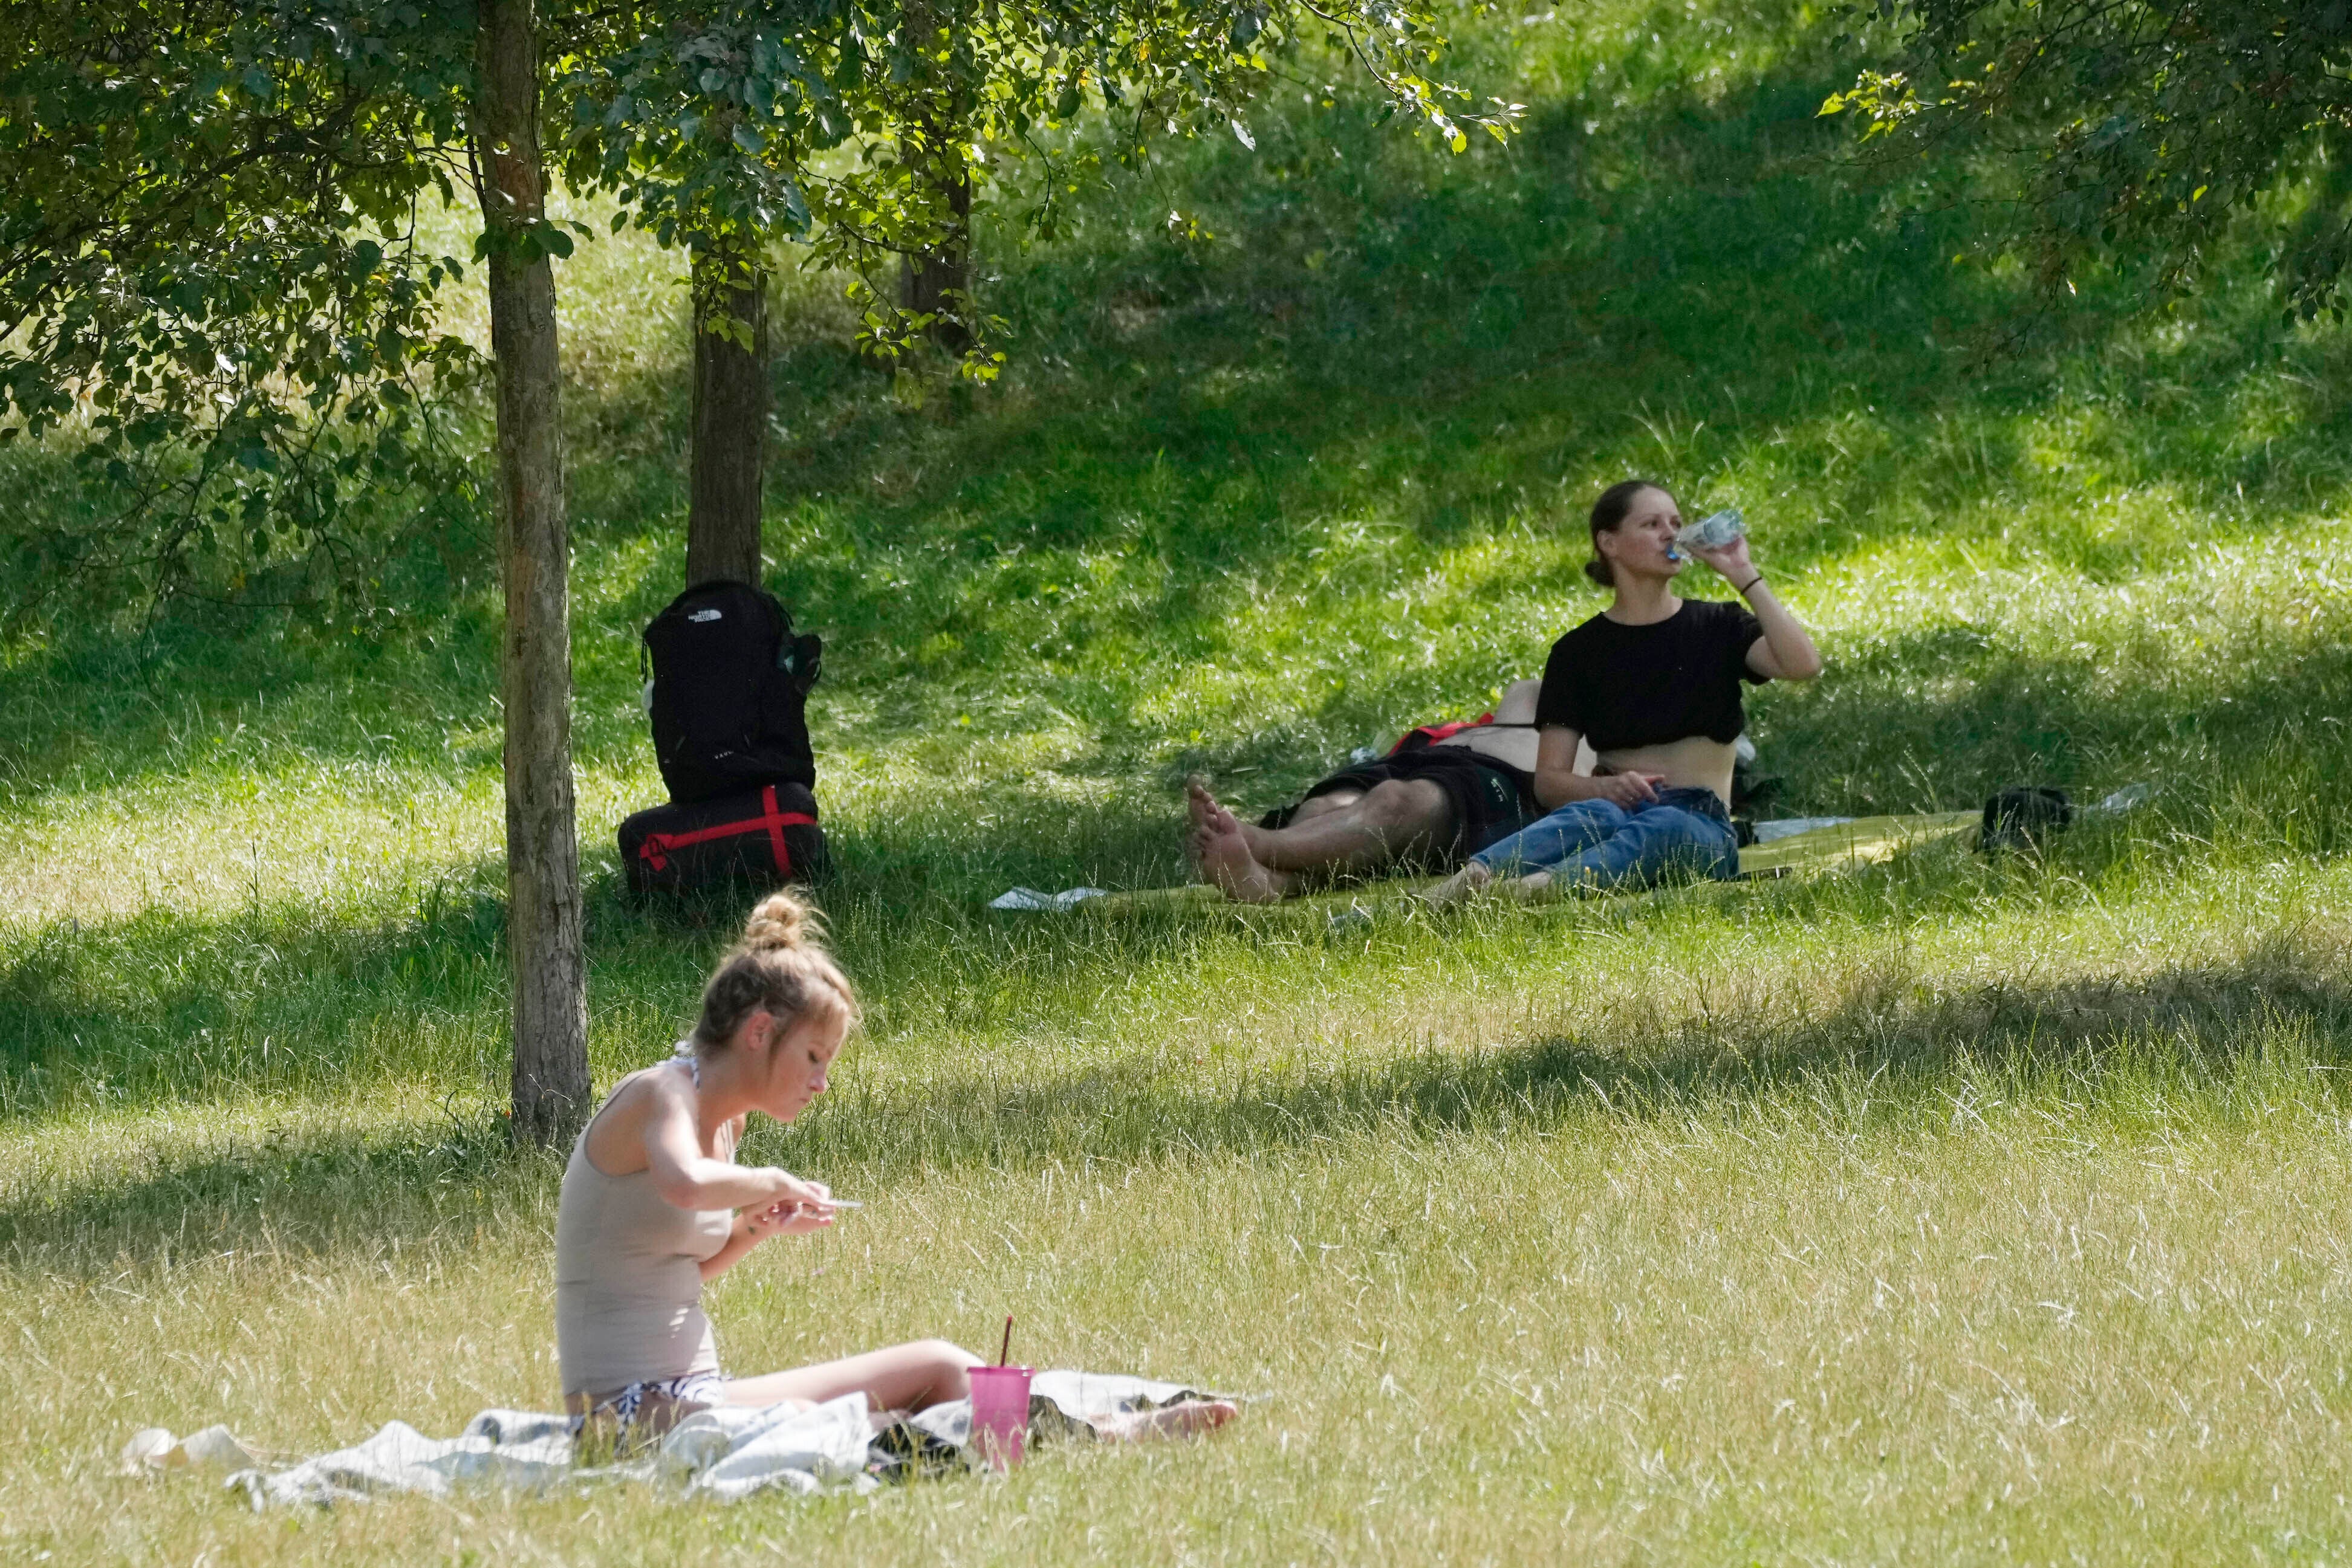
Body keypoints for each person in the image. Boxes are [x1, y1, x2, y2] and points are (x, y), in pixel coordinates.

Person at [556, 891, 1238, 1442]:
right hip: (622, 1414)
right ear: (759, 1031)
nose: (821, 1081)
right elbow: (682, 1182)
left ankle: (1097, 1432)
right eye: (814, 1056)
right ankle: (1091, 1437)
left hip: (693, 1394)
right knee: (846, 1426)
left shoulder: (725, 1121)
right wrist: (771, 1181)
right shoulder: (661, 1094)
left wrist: (751, 1230)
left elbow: (664, 1272)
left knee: (940, 1365)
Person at [1421, 479, 1822, 905]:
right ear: (1608, 542)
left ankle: (1529, 894)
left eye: (1676, 522)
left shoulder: (1717, 625)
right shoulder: (1578, 653)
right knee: (1589, 816)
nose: (1671, 533)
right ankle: (1460, 887)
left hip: (1698, 822)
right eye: (1652, 524)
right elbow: (1549, 783)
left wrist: (1742, 573)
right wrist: (1603, 790)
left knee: (1662, 828)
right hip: (1612, 807)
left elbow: (1803, 665)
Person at [1186, 678, 1596, 903]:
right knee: (1328, 805)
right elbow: (1545, 689)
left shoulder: (1624, 750)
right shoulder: (1537, 693)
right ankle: (1272, 884)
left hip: (1502, 780)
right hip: (1430, 755)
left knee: (1394, 803)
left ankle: (1261, 844)